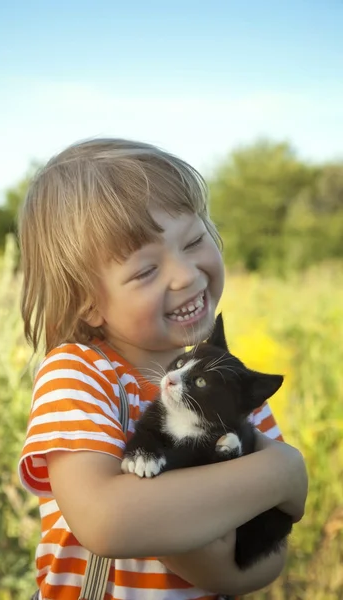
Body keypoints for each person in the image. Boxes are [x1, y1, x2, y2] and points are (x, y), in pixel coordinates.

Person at [18, 138, 308, 600]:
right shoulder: (79, 374)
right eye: (145, 271)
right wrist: (284, 472)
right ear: (88, 303)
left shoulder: (228, 385)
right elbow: (107, 520)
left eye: (194, 240)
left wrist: (211, 550)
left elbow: (265, 556)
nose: (186, 275)